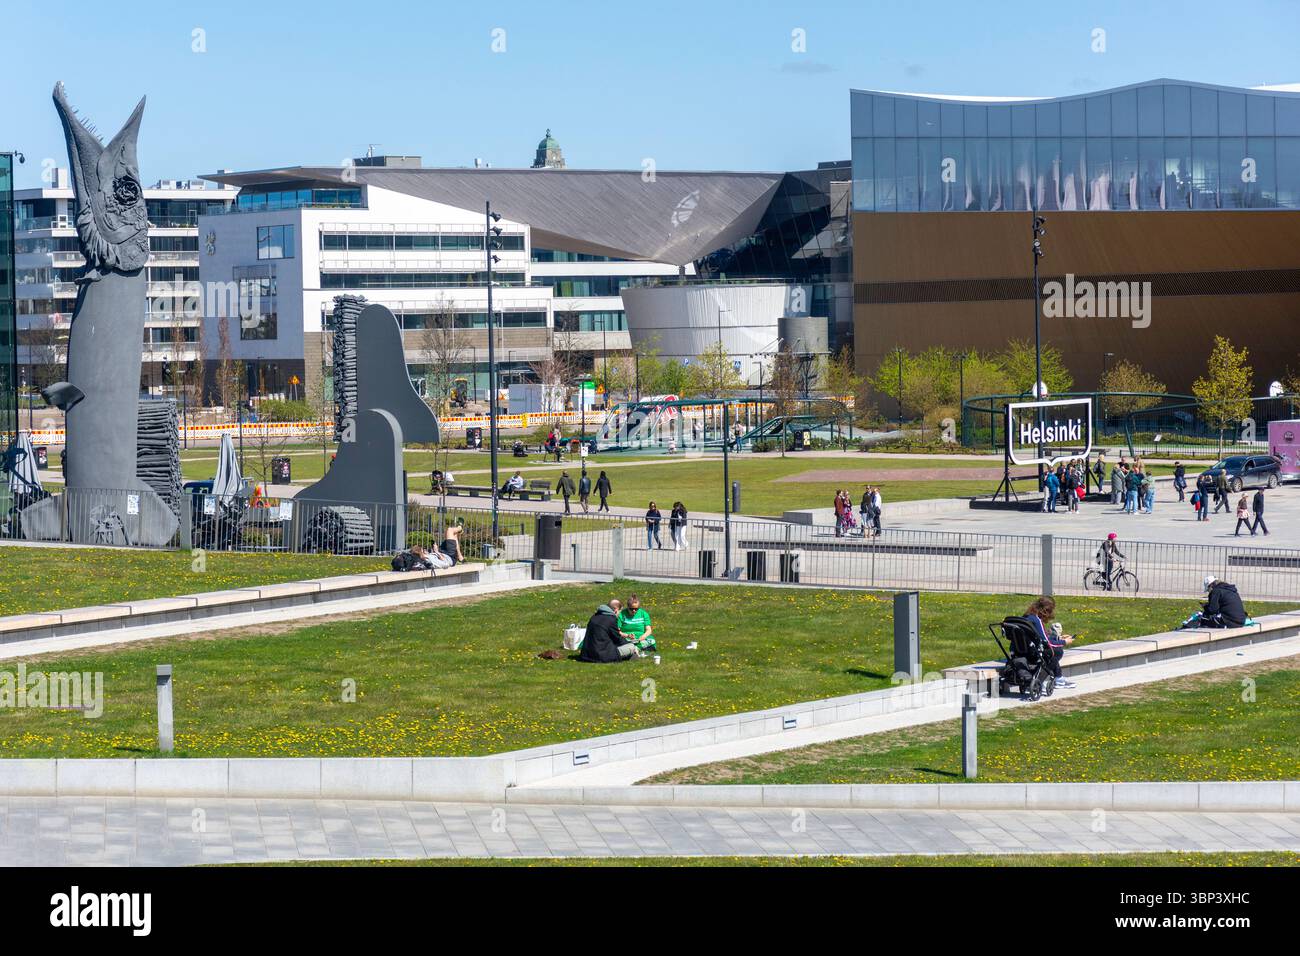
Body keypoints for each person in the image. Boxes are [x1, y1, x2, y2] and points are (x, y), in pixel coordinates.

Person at [1024, 596, 1075, 688]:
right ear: (1046, 611)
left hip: (1022, 650)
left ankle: (1059, 677)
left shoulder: (1026, 617)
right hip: (1033, 653)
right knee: (1057, 651)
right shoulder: (1037, 620)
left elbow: (1039, 637)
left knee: (1053, 650)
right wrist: (1064, 642)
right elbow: (1047, 642)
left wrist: (1058, 639)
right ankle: (1040, 680)